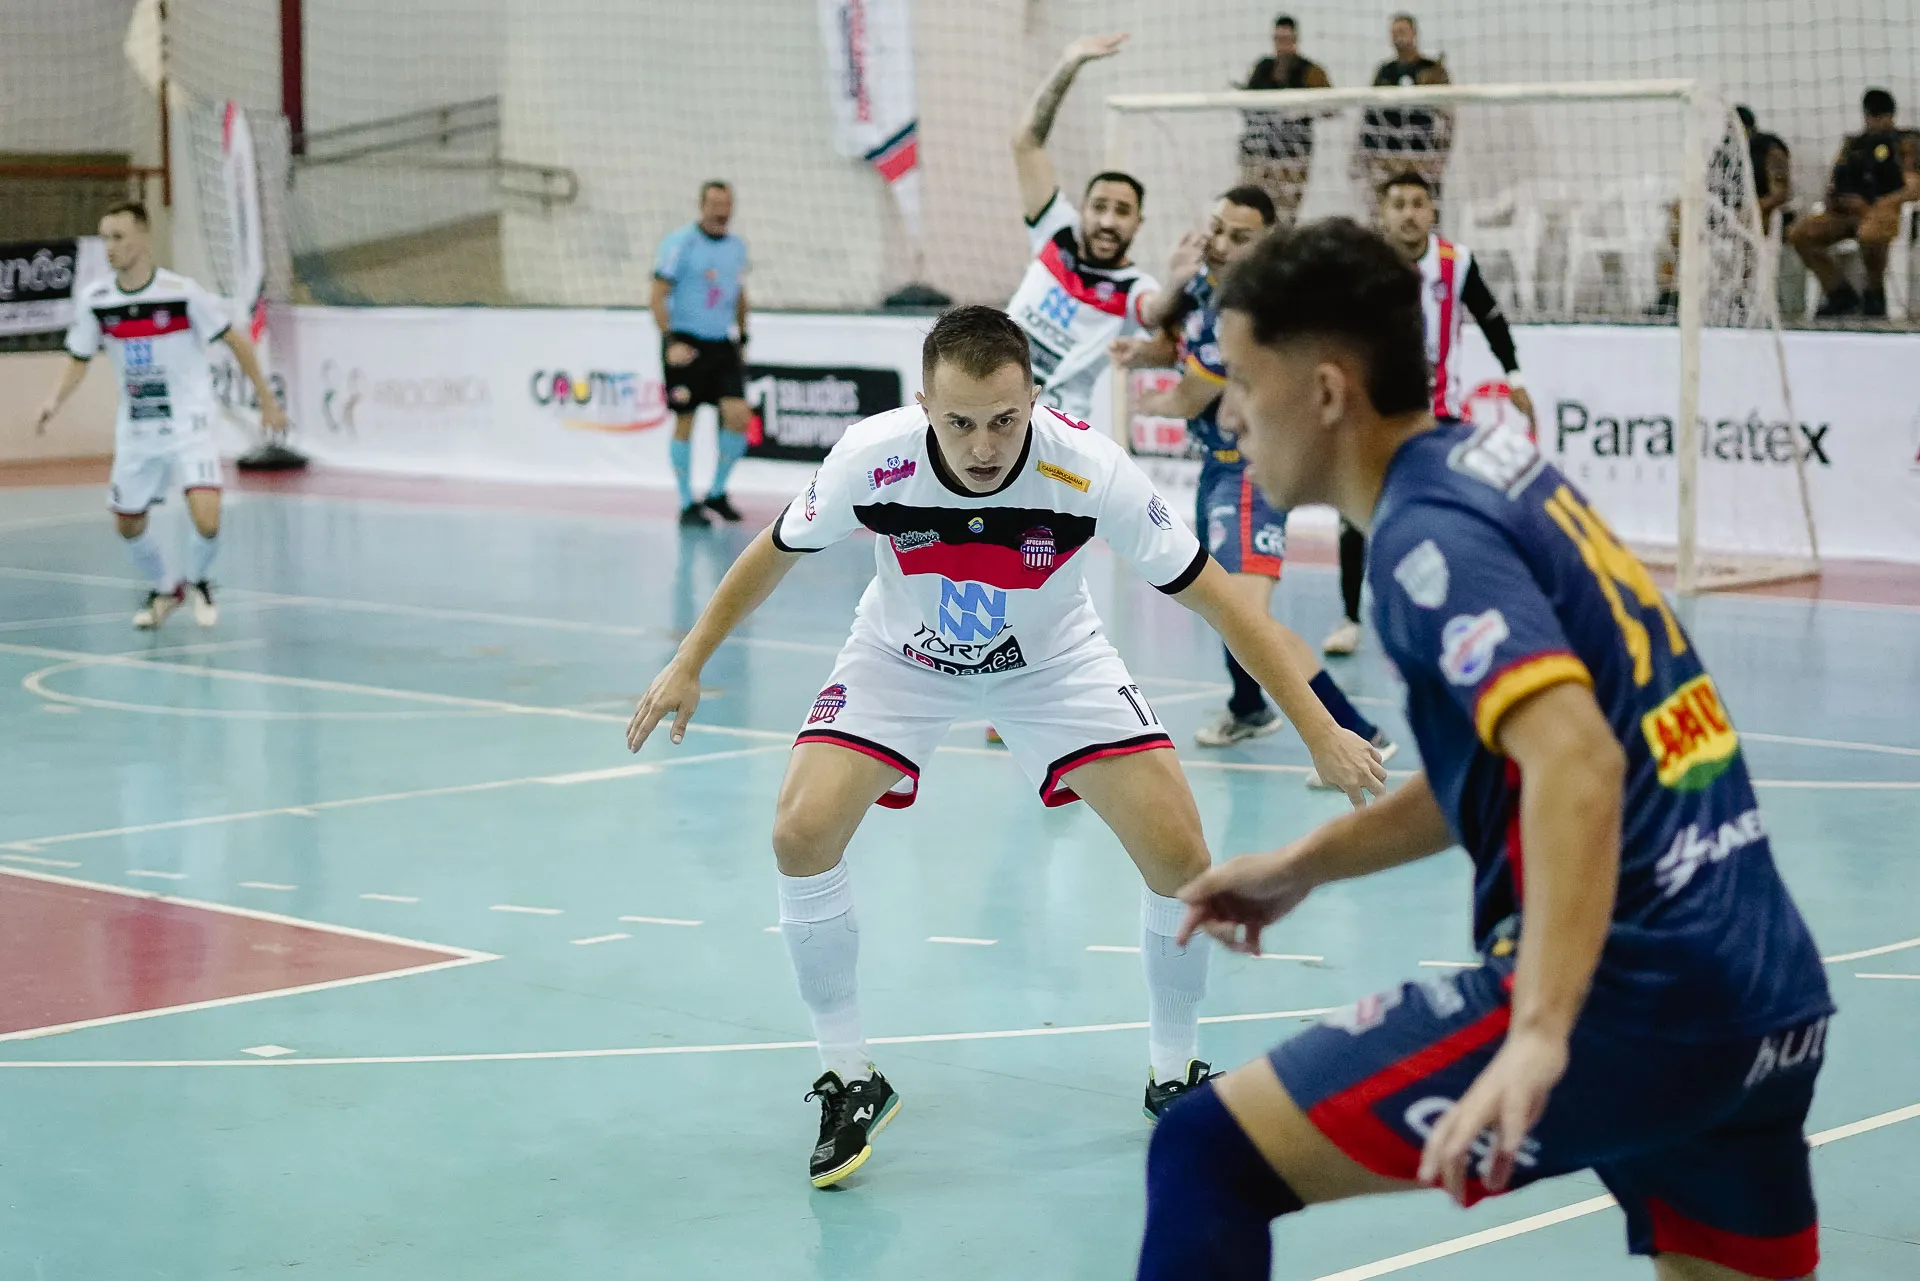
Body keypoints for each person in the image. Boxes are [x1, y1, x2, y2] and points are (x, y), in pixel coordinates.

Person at [1135, 219, 1834, 1281]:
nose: (1227, 410)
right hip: (1759, 987)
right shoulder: (1486, 465)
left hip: (1629, 994)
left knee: (1205, 1153)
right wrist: (1300, 865)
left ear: (1326, 391)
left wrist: (1544, 1032)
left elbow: (1578, 764)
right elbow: (1513, 764)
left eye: (1240, 379)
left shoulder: (1427, 541)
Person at [627, 305, 1386, 1190]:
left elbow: (1220, 599)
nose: (983, 445)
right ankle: (849, 1074)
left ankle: (1173, 1073)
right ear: (923, 405)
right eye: (958, 423)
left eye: (1003, 419)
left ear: (1035, 399)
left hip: (1053, 663)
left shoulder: (1087, 467)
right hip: (899, 659)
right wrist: (688, 661)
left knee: (1181, 855)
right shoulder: (874, 458)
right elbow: (772, 550)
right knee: (800, 831)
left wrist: (1320, 727)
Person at [1118, 186, 1392, 769]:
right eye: (1216, 227)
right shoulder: (1202, 285)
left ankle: (1358, 731)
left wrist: (1151, 406)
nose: (1219, 243)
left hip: (1250, 472)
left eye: (1239, 238)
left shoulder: (1250, 311)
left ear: (1266, 247)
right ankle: (1248, 708)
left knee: (1249, 613)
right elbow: (1172, 339)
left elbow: (1192, 396)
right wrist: (1146, 353)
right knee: (1218, 596)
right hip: (1215, 472)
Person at [32, 201, 284, 629]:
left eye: (118, 237)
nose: (109, 247)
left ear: (143, 239)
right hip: (137, 429)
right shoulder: (97, 300)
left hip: (189, 423)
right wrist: (54, 400)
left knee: (206, 517)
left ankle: (200, 578)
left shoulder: (180, 293)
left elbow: (235, 341)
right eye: (105, 238)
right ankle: (168, 587)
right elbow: (78, 356)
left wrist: (266, 398)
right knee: (127, 524)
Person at [1324, 171, 1532, 660]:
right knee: (1356, 514)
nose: (1408, 213)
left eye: (1418, 203)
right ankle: (1352, 619)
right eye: (1398, 204)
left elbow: (1491, 318)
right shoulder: (1362, 264)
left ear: (1432, 212)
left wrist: (1516, 377)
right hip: (1373, 413)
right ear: (1383, 212)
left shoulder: (1455, 264)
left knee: (1442, 516)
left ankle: (1450, 614)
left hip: (1436, 414)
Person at [1008, 32, 1174, 424]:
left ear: (1138, 223)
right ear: (1082, 210)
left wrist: (1180, 279)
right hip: (998, 400)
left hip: (1056, 425)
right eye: (1099, 207)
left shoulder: (1133, 286)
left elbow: (1154, 312)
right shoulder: (1055, 230)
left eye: (1122, 212)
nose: (1108, 221)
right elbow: (1026, 143)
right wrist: (1070, 64)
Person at [652, 180, 752, 526]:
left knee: (738, 414)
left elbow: (739, 294)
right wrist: (669, 342)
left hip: (721, 343)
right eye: (714, 204)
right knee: (686, 418)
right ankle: (685, 503)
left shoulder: (737, 247)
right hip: (686, 342)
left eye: (726, 204)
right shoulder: (680, 244)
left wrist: (743, 336)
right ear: (702, 206)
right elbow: (657, 294)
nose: (721, 211)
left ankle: (717, 492)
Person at [1791, 87, 1920, 319]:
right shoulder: (1853, 144)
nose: (1875, 122)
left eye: (1880, 116)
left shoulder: (1904, 143)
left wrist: (1877, 204)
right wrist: (1835, 200)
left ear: (1891, 116)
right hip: (1846, 212)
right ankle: (1840, 294)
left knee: (1869, 233)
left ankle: (1874, 295)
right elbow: (1833, 181)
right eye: (1872, 116)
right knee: (1800, 233)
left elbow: (1913, 188)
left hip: (1882, 211)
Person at [1236, 15, 1331, 226]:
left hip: (1292, 158)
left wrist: (1301, 109)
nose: (1282, 44)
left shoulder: (1311, 71)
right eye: (1278, 39)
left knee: (1284, 217)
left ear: (1296, 39)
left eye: (1287, 39)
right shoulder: (1262, 67)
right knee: (1249, 211)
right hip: (1257, 157)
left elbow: (1331, 107)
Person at [1357, 14, 1452, 201]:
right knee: (1387, 211)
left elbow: (1448, 117)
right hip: (1386, 157)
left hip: (1422, 156)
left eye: (1402, 31)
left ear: (1414, 34)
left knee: (1425, 209)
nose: (1397, 37)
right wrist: (1363, 153)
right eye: (1393, 33)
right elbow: (1370, 115)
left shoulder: (1432, 70)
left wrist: (1442, 154)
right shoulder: (1384, 72)